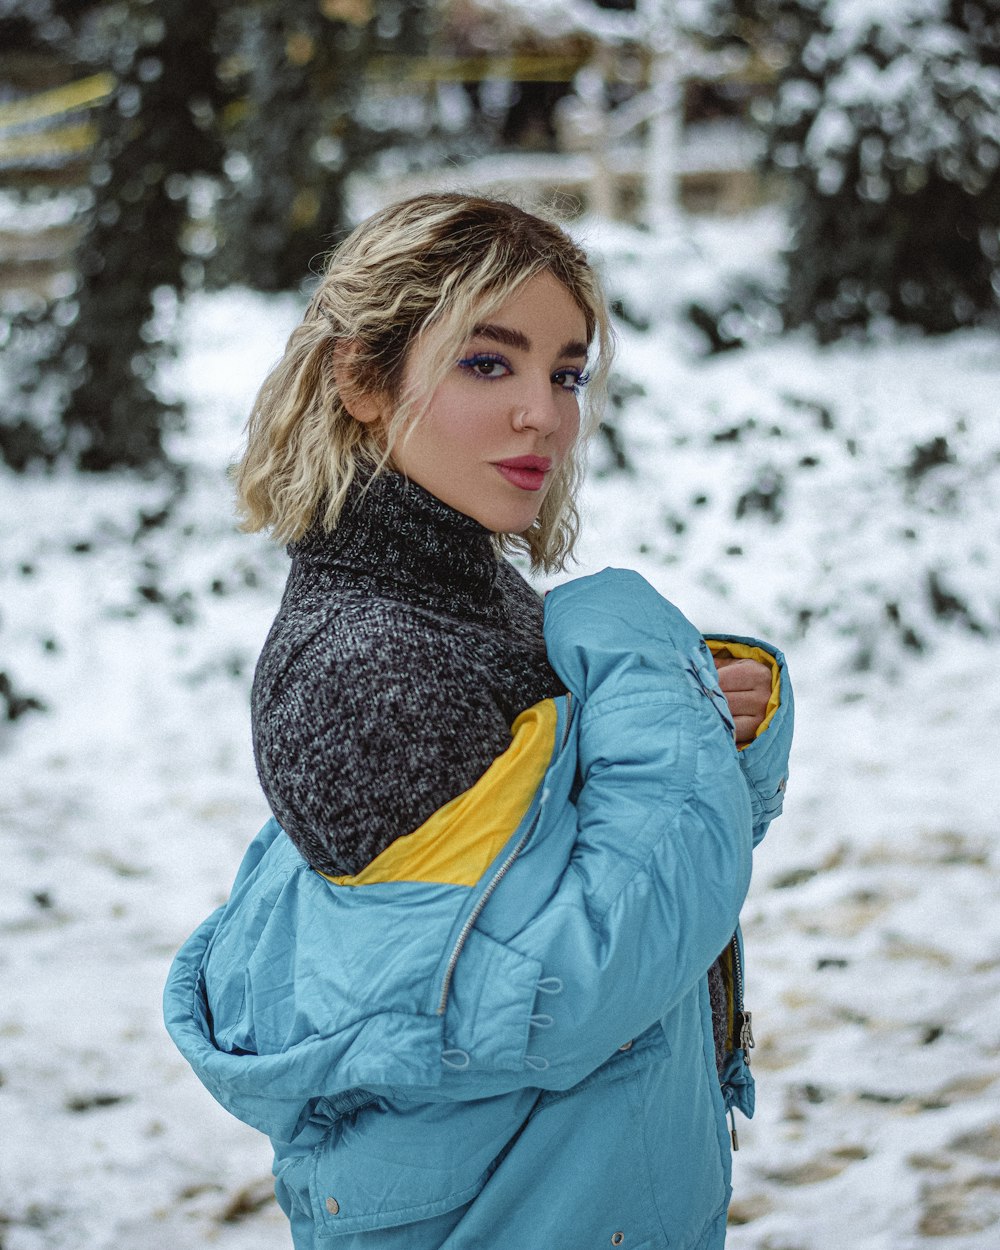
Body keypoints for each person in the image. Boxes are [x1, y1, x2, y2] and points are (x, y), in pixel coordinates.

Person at [164, 193, 793, 1250]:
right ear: (360, 377)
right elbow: (569, 979)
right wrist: (640, 656)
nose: (543, 415)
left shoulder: (475, 598)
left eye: (566, 372)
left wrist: (714, 723)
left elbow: (644, 865)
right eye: (488, 363)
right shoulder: (365, 668)